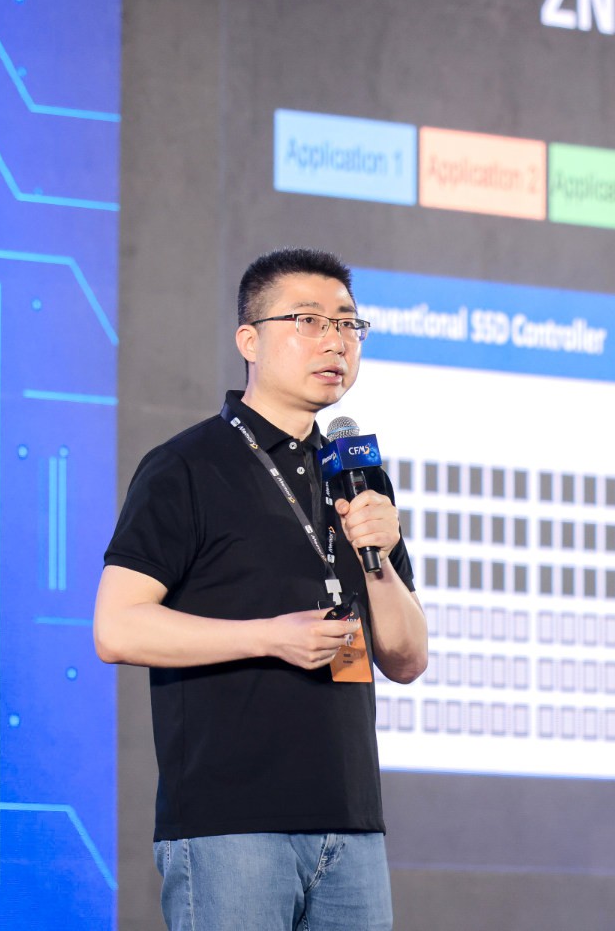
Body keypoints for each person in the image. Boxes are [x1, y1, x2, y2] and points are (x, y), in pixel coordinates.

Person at [94, 248, 427, 930]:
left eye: (348, 323)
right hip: (230, 826)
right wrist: (271, 637)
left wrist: (379, 559)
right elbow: (117, 626)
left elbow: (406, 657)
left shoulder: (358, 477)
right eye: (309, 320)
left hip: (351, 826)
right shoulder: (187, 466)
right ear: (249, 340)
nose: (335, 340)